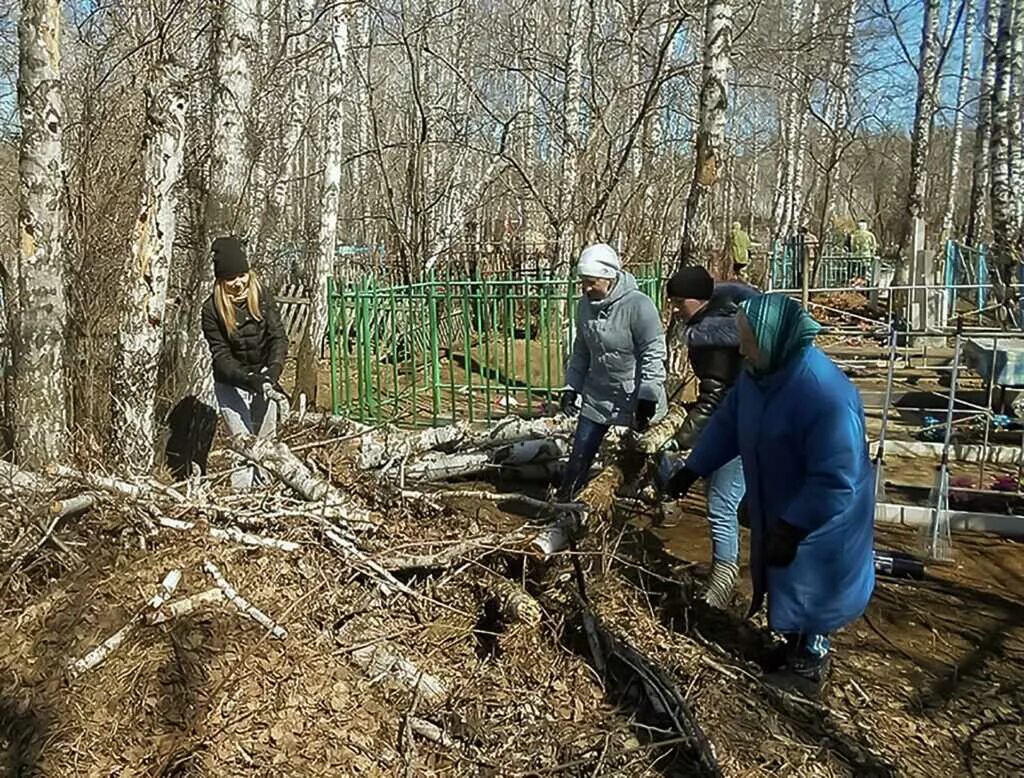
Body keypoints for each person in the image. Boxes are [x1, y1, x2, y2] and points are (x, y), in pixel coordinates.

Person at [660, 293, 875, 695]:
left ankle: (810, 663)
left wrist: (794, 526)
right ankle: (795, 646)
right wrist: (692, 469)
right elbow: (727, 424)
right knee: (787, 580)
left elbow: (836, 478)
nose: (741, 348)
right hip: (779, 501)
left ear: (774, 339)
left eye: (748, 340)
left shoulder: (825, 396)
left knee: (811, 583)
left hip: (820, 516)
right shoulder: (760, 376)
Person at [660, 266, 757, 609]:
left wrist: (680, 439)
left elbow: (714, 396)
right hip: (740, 422)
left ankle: (722, 583)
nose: (673, 309)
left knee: (720, 504)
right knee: (731, 499)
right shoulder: (731, 321)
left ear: (696, 300)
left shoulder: (712, 337)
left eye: (677, 302)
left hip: (740, 428)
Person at [557, 243, 667, 501]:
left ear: (609, 277)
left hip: (636, 397)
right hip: (598, 395)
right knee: (580, 453)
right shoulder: (584, 305)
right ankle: (565, 503)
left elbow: (654, 352)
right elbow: (581, 351)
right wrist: (571, 387)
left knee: (651, 454)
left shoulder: (639, 305)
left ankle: (669, 495)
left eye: (591, 281)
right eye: (582, 282)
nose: (585, 288)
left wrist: (648, 396)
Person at [201, 236, 289, 490]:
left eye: (242, 275)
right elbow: (221, 357)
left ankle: (265, 495)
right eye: (231, 278)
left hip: (264, 379)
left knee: (265, 443)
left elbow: (278, 337)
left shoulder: (261, 295)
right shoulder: (211, 310)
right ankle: (240, 500)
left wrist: (272, 371)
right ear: (221, 280)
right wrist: (247, 379)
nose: (238, 283)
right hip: (232, 384)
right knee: (242, 444)